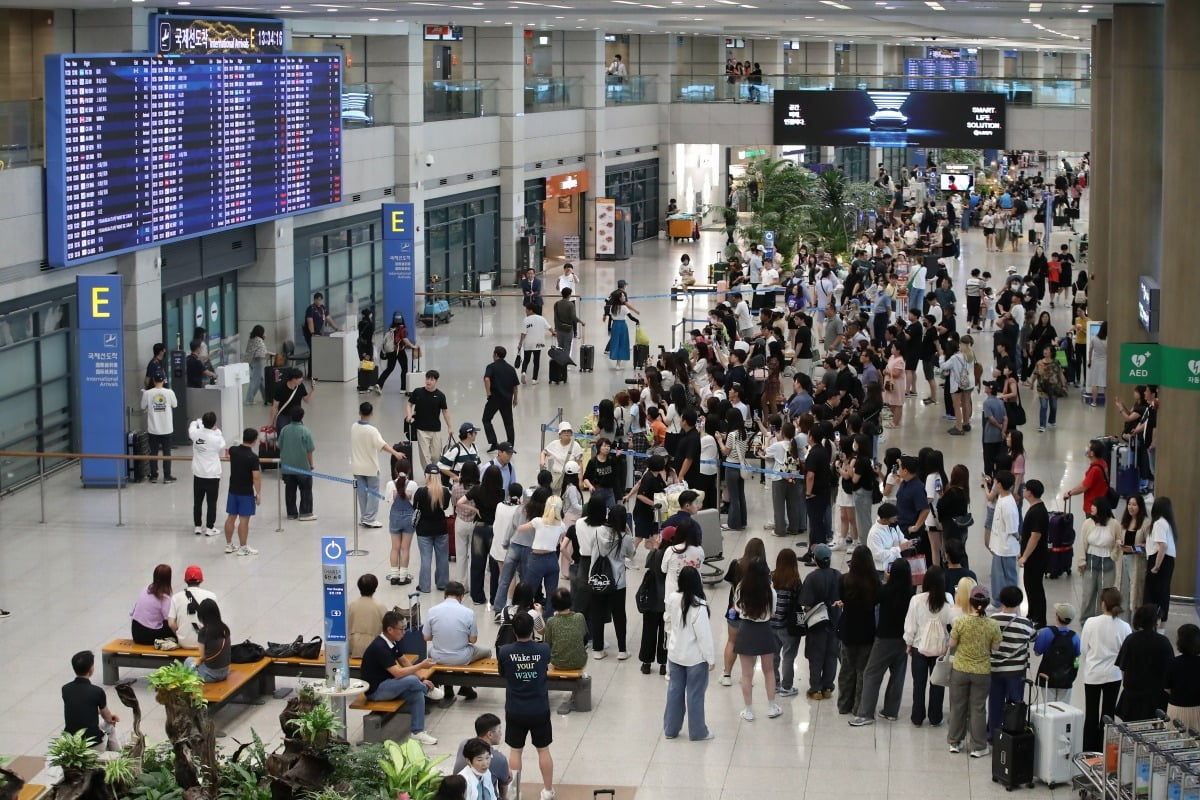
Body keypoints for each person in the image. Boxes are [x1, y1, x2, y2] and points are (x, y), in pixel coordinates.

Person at [496, 612, 556, 800]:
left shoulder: (505, 651)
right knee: (543, 749)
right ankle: (547, 791)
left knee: (516, 750)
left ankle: (514, 792)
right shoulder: (543, 649)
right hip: (539, 707)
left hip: (515, 708)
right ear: (532, 630)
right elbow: (547, 667)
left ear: (513, 630)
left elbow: (502, 673)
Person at [361, 610, 441, 746]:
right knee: (410, 680)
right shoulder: (379, 647)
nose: (404, 632)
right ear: (390, 629)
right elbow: (398, 673)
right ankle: (428, 691)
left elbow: (404, 661)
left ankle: (417, 732)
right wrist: (421, 665)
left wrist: (422, 679)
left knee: (416, 693)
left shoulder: (392, 641)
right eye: (401, 629)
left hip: (389, 684)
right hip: (376, 691)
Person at [851, 556, 914, 726]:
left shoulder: (885, 591)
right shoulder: (911, 593)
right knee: (898, 674)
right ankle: (891, 711)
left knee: (871, 673)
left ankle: (866, 713)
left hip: (884, 638)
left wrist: (885, 581)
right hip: (902, 639)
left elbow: (874, 599)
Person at [946, 586, 1002, 758]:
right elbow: (996, 648)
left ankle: (955, 742)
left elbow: (952, 645)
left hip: (960, 669)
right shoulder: (992, 625)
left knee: (958, 706)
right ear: (986, 604)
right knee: (977, 708)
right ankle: (978, 746)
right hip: (982, 671)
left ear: (970, 602)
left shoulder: (961, 622)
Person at [663, 565, 715, 740]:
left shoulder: (672, 598)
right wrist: (711, 658)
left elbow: (668, 619)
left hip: (675, 654)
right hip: (695, 659)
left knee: (674, 692)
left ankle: (670, 729)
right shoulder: (699, 606)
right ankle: (698, 732)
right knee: (695, 695)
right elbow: (704, 637)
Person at [905, 566, 961, 727]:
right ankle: (935, 717)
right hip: (940, 648)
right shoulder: (948, 599)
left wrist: (909, 644)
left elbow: (910, 626)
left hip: (919, 647)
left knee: (919, 683)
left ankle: (917, 717)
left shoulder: (916, 600)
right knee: (937, 684)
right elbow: (954, 622)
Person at [580, 505, 634, 659]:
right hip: (617, 582)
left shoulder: (596, 531)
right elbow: (631, 553)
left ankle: (597, 649)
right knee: (619, 615)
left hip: (597, 579)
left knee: (597, 614)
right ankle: (622, 650)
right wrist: (628, 532)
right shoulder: (625, 537)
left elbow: (591, 548)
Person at [1080, 588, 1131, 751]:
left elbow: (1084, 649)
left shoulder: (1091, 622)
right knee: (1108, 714)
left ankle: (1088, 749)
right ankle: (1104, 749)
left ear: (1103, 604)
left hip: (1093, 674)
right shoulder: (1124, 627)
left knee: (1091, 713)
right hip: (1114, 675)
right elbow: (1125, 653)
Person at [732, 557, 780, 721]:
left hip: (746, 630)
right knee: (769, 671)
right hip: (764, 630)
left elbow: (737, 608)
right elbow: (773, 612)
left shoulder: (740, 588)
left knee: (746, 674)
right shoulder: (770, 591)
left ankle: (749, 710)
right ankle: (772, 706)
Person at [986, 586, 1036, 742]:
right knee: (1015, 704)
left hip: (994, 669)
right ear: (1019, 602)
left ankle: (993, 735)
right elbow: (1033, 638)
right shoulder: (1025, 623)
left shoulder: (992, 620)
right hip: (1015, 672)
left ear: (1001, 599)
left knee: (995, 703)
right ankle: (1011, 735)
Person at [424, 582, 491, 695]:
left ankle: (447, 687)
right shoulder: (468, 613)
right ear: (461, 597)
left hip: (438, 656)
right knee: (487, 652)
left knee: (430, 652)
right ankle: (466, 685)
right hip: (461, 657)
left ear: (444, 595)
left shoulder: (432, 611)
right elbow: (473, 640)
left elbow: (427, 637)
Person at [1115, 604, 1175, 722]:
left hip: (1132, 696)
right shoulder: (1163, 642)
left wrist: (1128, 687)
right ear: (1155, 622)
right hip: (1155, 699)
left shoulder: (1131, 639)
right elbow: (1170, 671)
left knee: (1130, 733)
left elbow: (1123, 668)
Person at [352, 402, 404, 529]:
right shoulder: (372, 430)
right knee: (373, 493)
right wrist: (395, 453)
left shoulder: (353, 426)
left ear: (359, 412)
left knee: (362, 493)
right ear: (372, 413)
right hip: (370, 467)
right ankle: (369, 519)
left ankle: (364, 517)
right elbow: (382, 445)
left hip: (357, 467)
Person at [800, 544, 842, 700]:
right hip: (834, 623)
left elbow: (805, 603)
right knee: (831, 656)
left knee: (816, 657)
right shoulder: (837, 575)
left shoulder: (811, 578)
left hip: (816, 626)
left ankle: (816, 689)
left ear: (815, 560)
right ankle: (828, 688)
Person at [62, 651, 119, 749]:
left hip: (71, 740)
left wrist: (98, 713)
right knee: (110, 726)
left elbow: (80, 706)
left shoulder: (65, 689)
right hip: (92, 743)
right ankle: (117, 758)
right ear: (91, 668)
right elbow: (108, 717)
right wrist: (110, 717)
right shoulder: (97, 691)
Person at [1077, 497, 1120, 622]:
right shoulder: (1088, 523)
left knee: (1105, 592)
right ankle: (1086, 619)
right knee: (1088, 592)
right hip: (1090, 559)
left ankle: (1103, 619)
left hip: (1107, 560)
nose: (1091, 508)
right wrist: (1081, 560)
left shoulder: (1114, 524)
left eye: (1094, 505)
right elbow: (1082, 543)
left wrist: (1114, 555)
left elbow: (1118, 542)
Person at [453, 714, 512, 800]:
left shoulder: (464, 743)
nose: (501, 734)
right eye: (499, 731)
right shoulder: (499, 759)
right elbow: (503, 789)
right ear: (490, 734)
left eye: (488, 758)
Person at [222, 428, 262, 556]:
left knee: (231, 517)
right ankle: (243, 547)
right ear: (255, 440)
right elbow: (256, 477)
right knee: (244, 520)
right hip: (246, 493)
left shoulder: (234, 451)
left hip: (232, 490)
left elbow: (229, 450)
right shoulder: (253, 458)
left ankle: (229, 544)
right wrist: (259, 493)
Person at [414, 462, 452, 593]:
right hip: (441, 528)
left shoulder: (420, 492)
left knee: (425, 558)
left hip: (423, 530)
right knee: (442, 558)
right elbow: (446, 507)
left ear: (427, 475)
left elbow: (415, 508)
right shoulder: (445, 491)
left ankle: (424, 586)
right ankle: (442, 583)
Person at [1033, 603, 1081, 702]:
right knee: (1063, 709)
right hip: (1066, 679)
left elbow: (1037, 653)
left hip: (1047, 677)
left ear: (1056, 615)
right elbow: (1077, 658)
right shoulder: (1075, 637)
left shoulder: (1045, 632)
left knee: (1049, 708)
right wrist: (1073, 673)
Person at [1017, 479, 1049, 627]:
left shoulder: (1038, 512)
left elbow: (1035, 536)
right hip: (1033, 557)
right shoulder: (1036, 508)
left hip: (1036, 558)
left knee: (1035, 587)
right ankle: (1031, 614)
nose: (1024, 491)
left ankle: (1039, 619)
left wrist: (1025, 556)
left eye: (1025, 489)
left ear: (1030, 492)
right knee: (1030, 586)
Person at [407, 370, 453, 470]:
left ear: (436, 381)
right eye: (427, 378)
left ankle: (434, 470)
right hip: (421, 429)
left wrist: (450, 427)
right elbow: (409, 404)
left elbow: (445, 411)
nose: (428, 381)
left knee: (436, 456)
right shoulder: (418, 392)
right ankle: (429, 475)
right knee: (425, 456)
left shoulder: (440, 396)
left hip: (435, 429)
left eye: (431, 379)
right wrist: (409, 415)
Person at [188, 412, 226, 537]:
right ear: (214, 423)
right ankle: (210, 527)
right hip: (212, 475)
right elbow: (222, 443)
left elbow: (191, 427)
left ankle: (198, 526)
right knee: (211, 503)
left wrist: (197, 422)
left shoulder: (196, 434)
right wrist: (217, 430)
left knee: (197, 502)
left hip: (198, 474)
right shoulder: (216, 438)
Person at [987, 471, 1019, 607]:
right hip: (999, 546)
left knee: (1006, 578)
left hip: (1006, 548)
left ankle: (1008, 602)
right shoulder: (1002, 497)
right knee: (997, 577)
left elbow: (1013, 530)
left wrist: (1019, 540)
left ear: (999, 484)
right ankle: (998, 601)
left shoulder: (1008, 505)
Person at [278, 406, 317, 521]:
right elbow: (309, 450)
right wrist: (311, 464)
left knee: (290, 490)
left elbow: (280, 446)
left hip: (287, 467)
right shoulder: (305, 431)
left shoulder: (284, 430)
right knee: (306, 490)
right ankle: (305, 512)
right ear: (302, 417)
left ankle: (291, 513)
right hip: (302, 467)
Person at [386, 455, 419, 586]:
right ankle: (403, 576)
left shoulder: (390, 484)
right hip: (408, 518)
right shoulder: (412, 484)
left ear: (395, 470)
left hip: (394, 517)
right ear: (409, 470)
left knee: (395, 548)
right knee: (405, 548)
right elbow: (415, 501)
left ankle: (394, 575)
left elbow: (389, 500)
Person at [1117, 495, 1151, 621]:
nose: (1131, 507)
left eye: (1134, 505)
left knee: (1136, 594)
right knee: (1123, 592)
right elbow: (1120, 536)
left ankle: (1135, 623)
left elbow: (1149, 546)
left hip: (1137, 562)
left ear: (1140, 506)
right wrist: (1119, 542)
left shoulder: (1146, 523)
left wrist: (1135, 548)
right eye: (1129, 504)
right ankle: (1124, 623)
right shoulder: (1125, 520)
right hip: (1124, 561)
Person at [1144, 496, 1177, 624]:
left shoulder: (1159, 523)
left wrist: (1156, 566)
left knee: (1153, 594)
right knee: (1163, 593)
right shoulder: (1167, 523)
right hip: (1167, 561)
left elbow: (1162, 546)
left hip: (1159, 560)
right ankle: (1160, 625)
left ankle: (1153, 624)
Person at [140, 374, 178, 483]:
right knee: (167, 453)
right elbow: (175, 405)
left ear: (153, 380)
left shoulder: (147, 393)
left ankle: (154, 476)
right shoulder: (170, 392)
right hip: (167, 428)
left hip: (153, 429)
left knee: (153, 453)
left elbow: (143, 406)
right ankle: (167, 476)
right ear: (164, 381)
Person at [167, 565, 216, 649]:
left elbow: (171, 624)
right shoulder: (211, 596)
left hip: (183, 642)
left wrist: (180, 634)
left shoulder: (176, 597)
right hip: (205, 642)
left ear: (185, 580)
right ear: (201, 580)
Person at [183, 599, 230, 683]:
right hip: (225, 672)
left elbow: (203, 656)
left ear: (202, 615)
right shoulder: (224, 628)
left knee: (188, 661)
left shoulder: (204, 632)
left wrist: (201, 633)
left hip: (210, 675)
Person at [482, 347, 520, 450]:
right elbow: (515, 386)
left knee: (486, 419)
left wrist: (488, 393)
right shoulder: (510, 368)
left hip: (494, 398)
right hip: (507, 399)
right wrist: (515, 399)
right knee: (508, 423)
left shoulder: (491, 367)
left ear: (496, 355)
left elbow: (486, 379)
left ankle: (494, 442)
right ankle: (510, 445)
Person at [1063, 439, 1113, 516]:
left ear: (1092, 453)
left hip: (1093, 507)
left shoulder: (1095, 469)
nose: (1086, 449)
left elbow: (1083, 487)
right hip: (1102, 503)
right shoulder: (1103, 463)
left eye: (1088, 447)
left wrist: (1069, 493)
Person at [1165, 624, 1200, 732]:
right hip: (1197, 709)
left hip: (1176, 709)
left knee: (1175, 743)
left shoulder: (1173, 663)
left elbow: (1167, 688)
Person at [130, 564, 175, 646]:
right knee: (172, 628)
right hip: (147, 635)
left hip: (135, 631)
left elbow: (133, 611)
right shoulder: (164, 598)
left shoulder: (146, 589)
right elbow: (169, 622)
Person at [544, 588, 587, 671]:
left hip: (557, 663)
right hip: (579, 661)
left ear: (553, 604)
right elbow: (584, 637)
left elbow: (548, 644)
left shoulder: (551, 621)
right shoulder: (580, 617)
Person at [348, 574, 388, 659]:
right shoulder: (380, 606)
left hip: (353, 648)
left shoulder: (351, 605)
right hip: (374, 648)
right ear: (375, 588)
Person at [376, 313, 416, 394]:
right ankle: (403, 388)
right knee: (404, 368)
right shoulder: (402, 329)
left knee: (389, 368)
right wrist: (412, 346)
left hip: (391, 351)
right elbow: (404, 339)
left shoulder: (391, 328)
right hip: (400, 351)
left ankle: (379, 384)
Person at [540, 422, 583, 492]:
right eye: (564, 431)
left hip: (570, 478)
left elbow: (580, 464)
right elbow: (544, 452)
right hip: (556, 477)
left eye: (568, 431)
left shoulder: (576, 446)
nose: (566, 433)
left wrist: (580, 480)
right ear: (560, 434)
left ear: (571, 433)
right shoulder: (554, 444)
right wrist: (542, 461)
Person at [270, 368, 313, 434]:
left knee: (299, 433)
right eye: (300, 378)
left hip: (296, 416)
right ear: (293, 379)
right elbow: (275, 406)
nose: (302, 379)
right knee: (283, 433)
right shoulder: (280, 389)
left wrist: (312, 390)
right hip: (284, 415)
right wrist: (271, 422)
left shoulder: (300, 386)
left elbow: (306, 400)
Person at [518, 305, 551, 385]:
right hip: (538, 343)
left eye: (527, 310)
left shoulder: (526, 320)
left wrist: (520, 343)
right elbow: (549, 327)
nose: (525, 311)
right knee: (536, 361)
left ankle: (523, 372)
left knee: (526, 359)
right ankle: (534, 379)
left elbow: (523, 333)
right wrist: (553, 332)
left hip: (528, 343)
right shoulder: (541, 318)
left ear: (531, 310)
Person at [243, 325, 274, 404]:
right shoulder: (259, 340)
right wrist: (274, 354)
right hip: (257, 361)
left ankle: (266, 398)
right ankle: (249, 400)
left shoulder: (251, 339)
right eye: (264, 332)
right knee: (255, 381)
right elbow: (264, 351)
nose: (265, 333)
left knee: (260, 380)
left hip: (250, 361)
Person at [552, 287, 583, 362]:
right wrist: (581, 322)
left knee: (560, 346)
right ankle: (565, 363)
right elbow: (573, 317)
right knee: (567, 347)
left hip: (559, 328)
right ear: (569, 295)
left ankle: (559, 362)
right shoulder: (570, 304)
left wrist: (556, 328)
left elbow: (555, 317)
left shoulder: (557, 304)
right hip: (568, 329)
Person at [1087, 321, 1108, 407]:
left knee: (1094, 383)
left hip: (1095, 362)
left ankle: (1094, 402)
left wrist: (1090, 361)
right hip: (1105, 362)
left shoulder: (1094, 338)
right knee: (1106, 384)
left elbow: (1090, 350)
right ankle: (1107, 402)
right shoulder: (1108, 339)